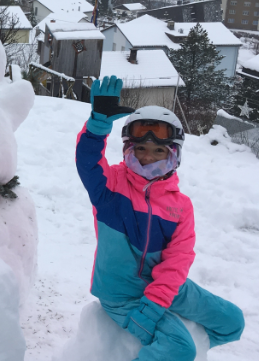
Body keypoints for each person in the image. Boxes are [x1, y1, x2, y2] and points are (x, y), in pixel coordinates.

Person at [75, 76, 245, 360]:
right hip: (122, 294)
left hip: (166, 288)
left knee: (232, 321)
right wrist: (98, 125)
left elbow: (179, 258)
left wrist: (156, 303)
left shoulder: (180, 206)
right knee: (179, 348)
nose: (147, 158)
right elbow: (87, 162)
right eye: (140, 149)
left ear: (174, 154)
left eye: (158, 151)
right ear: (128, 149)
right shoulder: (110, 187)